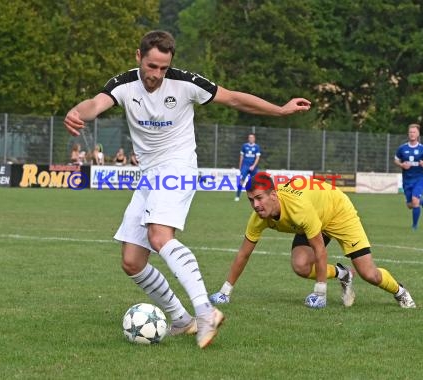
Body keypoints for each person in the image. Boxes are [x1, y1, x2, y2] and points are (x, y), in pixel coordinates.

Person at [63, 30, 311, 348]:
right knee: (132, 261)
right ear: (137, 57)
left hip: (178, 168)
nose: (156, 75)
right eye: (151, 66)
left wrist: (279, 110)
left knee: (159, 235)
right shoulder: (123, 85)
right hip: (150, 176)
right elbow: (95, 104)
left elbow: (233, 97)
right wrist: (76, 112)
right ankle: (181, 319)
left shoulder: (186, 83)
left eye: (163, 68)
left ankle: (205, 310)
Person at [210, 172, 416, 309]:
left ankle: (400, 291)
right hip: (316, 216)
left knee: (369, 274)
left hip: (337, 210)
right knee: (300, 265)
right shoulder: (258, 218)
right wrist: (225, 292)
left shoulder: (298, 209)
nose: (255, 205)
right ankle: (342, 273)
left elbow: (320, 250)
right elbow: (243, 254)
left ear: (273, 195)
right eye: (251, 200)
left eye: (259, 198)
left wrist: (320, 293)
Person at [394, 123, 423, 230]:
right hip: (406, 180)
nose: (412, 134)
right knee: (410, 205)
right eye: (410, 132)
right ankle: (422, 201)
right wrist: (401, 165)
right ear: (408, 134)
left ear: (418, 134)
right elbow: (396, 160)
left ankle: (414, 226)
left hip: (419, 179)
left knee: (414, 200)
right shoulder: (402, 148)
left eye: (414, 132)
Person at [234, 133, 261, 202]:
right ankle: (237, 196)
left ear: (254, 139)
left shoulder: (257, 147)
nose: (251, 139)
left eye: (252, 137)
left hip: (253, 167)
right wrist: (240, 166)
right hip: (245, 166)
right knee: (242, 180)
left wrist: (253, 166)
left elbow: (257, 157)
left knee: (254, 182)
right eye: (250, 137)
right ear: (248, 138)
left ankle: (255, 197)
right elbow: (241, 156)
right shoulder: (244, 146)